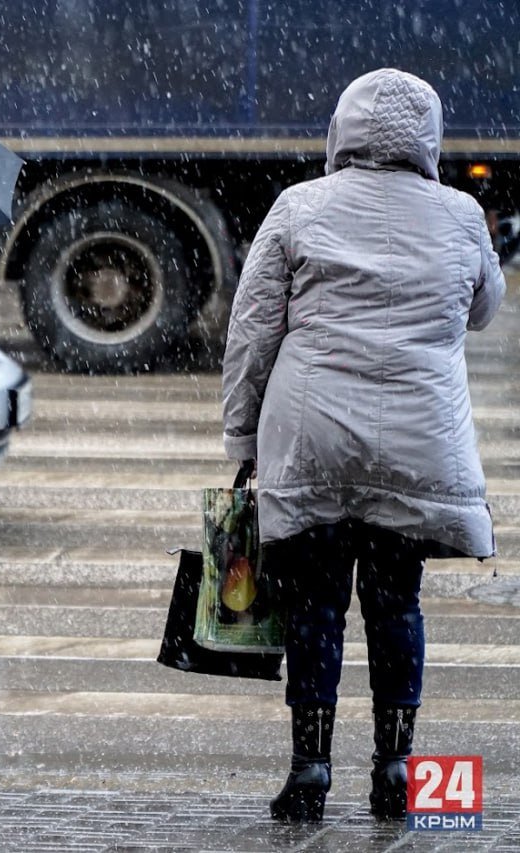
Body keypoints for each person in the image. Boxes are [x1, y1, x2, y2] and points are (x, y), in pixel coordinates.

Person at [221, 68, 505, 822]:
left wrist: (243, 435)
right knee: (396, 605)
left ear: (341, 131)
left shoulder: (298, 207)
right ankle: (396, 770)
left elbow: (252, 333)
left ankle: (310, 768)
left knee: (314, 605)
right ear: (430, 139)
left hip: (311, 437)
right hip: (414, 442)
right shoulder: (462, 214)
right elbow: (482, 309)